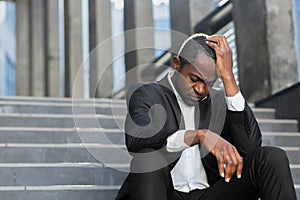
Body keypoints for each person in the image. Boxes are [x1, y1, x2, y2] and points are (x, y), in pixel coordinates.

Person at [115, 33, 297, 200]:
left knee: (272, 157)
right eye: (194, 79)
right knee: (148, 158)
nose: (201, 90)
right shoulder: (147, 93)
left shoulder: (218, 100)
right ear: (176, 64)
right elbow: (137, 138)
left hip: (210, 193)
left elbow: (250, 148)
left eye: (209, 83)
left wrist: (228, 78)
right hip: (163, 193)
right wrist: (198, 136)